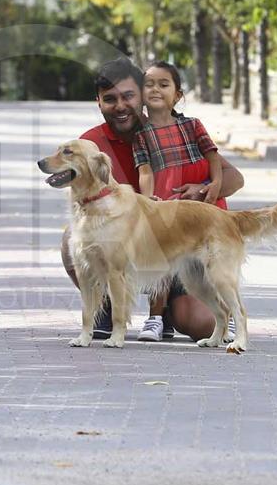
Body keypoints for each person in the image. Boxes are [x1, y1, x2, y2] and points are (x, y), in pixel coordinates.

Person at [60, 56, 245, 342]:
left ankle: (168, 312)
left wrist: (202, 187)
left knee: (198, 324)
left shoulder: (175, 132)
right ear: (98, 102)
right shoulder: (91, 145)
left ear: (141, 98)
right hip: (138, 244)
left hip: (188, 236)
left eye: (128, 97)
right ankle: (109, 304)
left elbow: (235, 179)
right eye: (110, 99)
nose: (120, 106)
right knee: (75, 236)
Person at [131, 60, 229, 341]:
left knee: (211, 267)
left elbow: (213, 156)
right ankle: (155, 319)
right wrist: (149, 199)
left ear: (177, 95)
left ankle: (227, 316)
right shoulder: (141, 134)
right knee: (157, 262)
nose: (155, 89)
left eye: (164, 84)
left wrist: (213, 185)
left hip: (202, 209)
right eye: (148, 84)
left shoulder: (191, 126)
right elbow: (145, 170)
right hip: (163, 208)